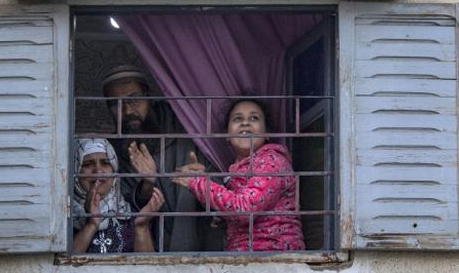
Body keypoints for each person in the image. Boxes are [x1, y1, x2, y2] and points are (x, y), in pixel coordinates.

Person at [102, 65, 222, 251]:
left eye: (134, 99)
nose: (127, 111)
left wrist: (203, 182)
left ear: (149, 96)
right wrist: (147, 183)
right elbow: (122, 209)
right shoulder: (114, 150)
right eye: (116, 104)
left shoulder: (188, 126)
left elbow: (225, 187)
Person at [172, 98, 305, 251]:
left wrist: (199, 183)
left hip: (275, 258)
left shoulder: (272, 161)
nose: (245, 123)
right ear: (227, 135)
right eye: (237, 119)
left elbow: (245, 209)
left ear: (267, 133)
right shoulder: (234, 173)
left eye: (254, 118)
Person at [72, 138, 164, 253]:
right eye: (87, 164)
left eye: (105, 163)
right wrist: (91, 224)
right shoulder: (63, 215)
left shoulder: (130, 212)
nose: (98, 171)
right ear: (75, 169)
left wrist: (141, 227)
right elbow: (60, 266)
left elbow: (150, 267)